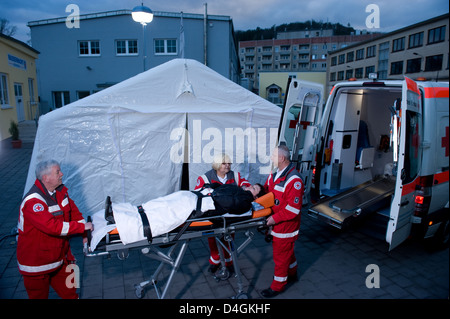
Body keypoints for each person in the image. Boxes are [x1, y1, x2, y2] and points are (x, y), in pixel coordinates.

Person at [90, 183, 265, 251]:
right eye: (252, 186)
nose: (251, 187)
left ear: (256, 196)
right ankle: (117, 213)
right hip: (194, 196)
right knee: (154, 205)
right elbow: (217, 186)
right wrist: (210, 187)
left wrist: (214, 194)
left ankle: (119, 222)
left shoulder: (245, 201)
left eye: (255, 189)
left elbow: (228, 203)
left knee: (160, 214)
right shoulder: (237, 188)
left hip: (198, 206)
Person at [16, 160, 93, 299]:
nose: (62, 174)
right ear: (46, 178)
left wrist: (84, 234)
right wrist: (82, 227)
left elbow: (75, 214)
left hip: (61, 259)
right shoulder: (33, 201)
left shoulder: (60, 192)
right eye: (58, 172)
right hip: (37, 266)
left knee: (72, 292)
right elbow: (52, 227)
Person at [194, 153, 251, 274]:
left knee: (229, 237)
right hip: (213, 213)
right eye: (224, 163)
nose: (228, 166)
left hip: (230, 213)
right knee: (212, 238)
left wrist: (245, 188)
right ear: (217, 164)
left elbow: (246, 184)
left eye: (229, 163)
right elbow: (197, 193)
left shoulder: (235, 176)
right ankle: (215, 261)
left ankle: (229, 261)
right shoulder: (205, 178)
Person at [261, 145, 304, 298]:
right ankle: (292, 272)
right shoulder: (274, 175)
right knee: (287, 252)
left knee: (280, 256)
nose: (271, 158)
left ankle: (278, 286)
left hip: (285, 227)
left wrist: (273, 219)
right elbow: (267, 192)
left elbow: (293, 209)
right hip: (275, 224)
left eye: (273, 156)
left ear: (282, 158)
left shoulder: (294, 180)